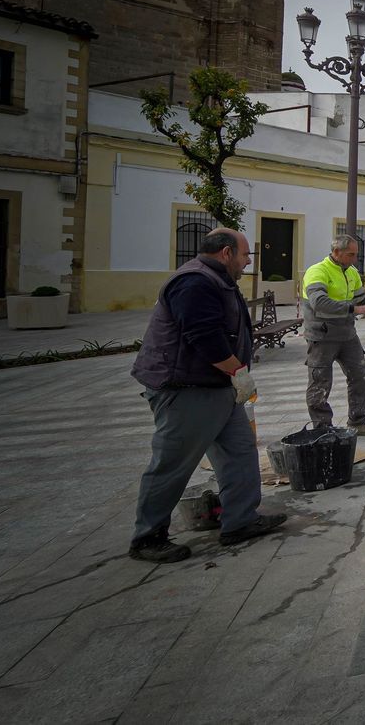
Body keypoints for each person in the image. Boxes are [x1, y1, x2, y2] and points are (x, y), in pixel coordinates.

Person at [128, 228, 286, 563]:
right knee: (173, 463)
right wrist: (239, 373)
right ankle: (148, 537)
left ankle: (240, 521)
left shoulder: (217, 279)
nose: (247, 263)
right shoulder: (195, 282)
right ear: (227, 253)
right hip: (186, 390)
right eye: (245, 256)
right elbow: (205, 338)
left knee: (240, 452)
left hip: (217, 387)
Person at [302, 234, 365, 432]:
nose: (354, 259)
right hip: (322, 337)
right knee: (320, 384)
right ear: (336, 252)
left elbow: (360, 297)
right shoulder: (317, 271)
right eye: (350, 254)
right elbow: (319, 302)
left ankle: (357, 422)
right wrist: (355, 310)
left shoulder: (351, 272)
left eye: (356, 254)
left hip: (347, 335)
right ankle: (322, 429)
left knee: (360, 376)